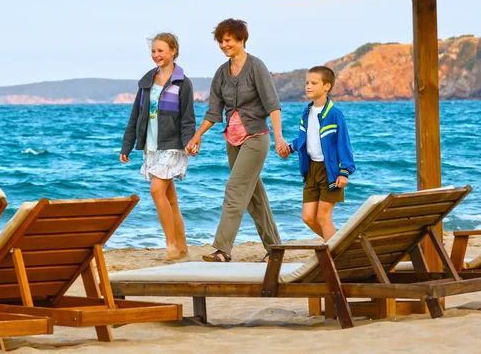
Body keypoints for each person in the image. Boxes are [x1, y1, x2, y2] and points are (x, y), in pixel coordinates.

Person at [186, 18, 288, 263]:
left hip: (255, 138)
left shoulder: (256, 67)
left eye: (228, 40)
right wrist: (197, 135)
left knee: (234, 188)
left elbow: (272, 105)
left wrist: (279, 137)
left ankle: (223, 249)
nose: (224, 44)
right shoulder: (221, 73)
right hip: (232, 141)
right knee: (254, 197)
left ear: (242, 39)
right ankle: (275, 249)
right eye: (220, 41)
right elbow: (213, 112)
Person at [120, 33, 195, 260]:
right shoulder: (146, 82)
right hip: (151, 147)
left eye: (161, 50)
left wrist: (189, 142)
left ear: (173, 51)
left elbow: (187, 118)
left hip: (173, 146)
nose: (156, 55)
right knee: (170, 198)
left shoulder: (183, 82)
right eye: (153, 51)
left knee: (155, 190)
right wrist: (127, 146)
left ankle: (171, 245)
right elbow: (136, 115)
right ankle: (183, 249)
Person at [282, 66, 355, 241]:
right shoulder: (306, 112)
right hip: (311, 170)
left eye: (314, 83)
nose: (308, 86)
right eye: (307, 82)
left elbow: (344, 144)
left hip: (331, 172)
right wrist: (290, 148)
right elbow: (304, 138)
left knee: (323, 217)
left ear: (326, 86)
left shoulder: (335, 115)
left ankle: (335, 254)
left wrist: (345, 171)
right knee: (307, 217)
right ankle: (339, 245)